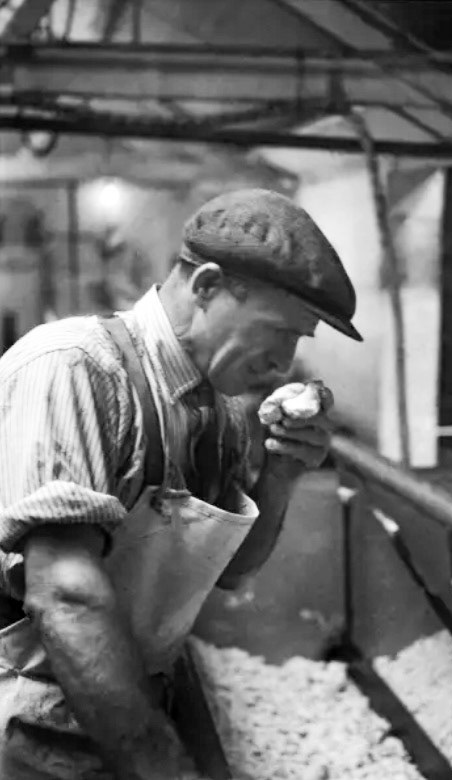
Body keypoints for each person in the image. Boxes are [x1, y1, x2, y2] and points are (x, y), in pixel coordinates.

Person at [0, 188, 362, 779]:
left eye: (299, 340)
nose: (283, 362)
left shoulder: (218, 414)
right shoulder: (75, 367)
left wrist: (282, 473)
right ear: (207, 285)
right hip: (29, 726)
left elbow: (232, 570)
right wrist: (165, 766)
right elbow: (65, 594)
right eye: (279, 330)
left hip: (122, 704)